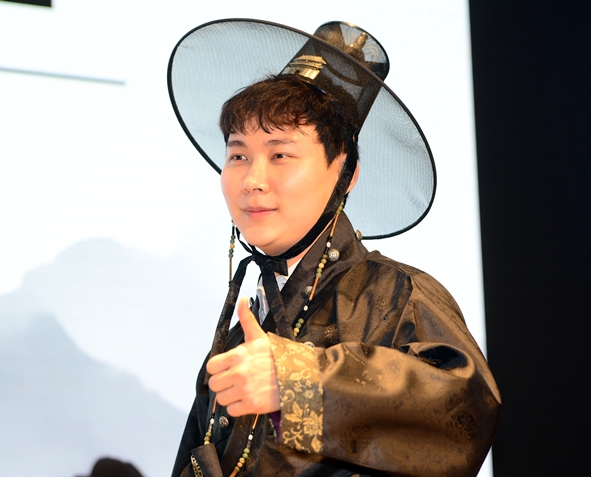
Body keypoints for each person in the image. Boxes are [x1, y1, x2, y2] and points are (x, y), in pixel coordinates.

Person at [167, 19, 500, 477]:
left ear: (345, 173)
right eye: (238, 155)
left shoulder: (397, 295)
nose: (252, 180)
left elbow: (465, 411)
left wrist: (295, 384)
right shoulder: (241, 330)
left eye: (280, 155)